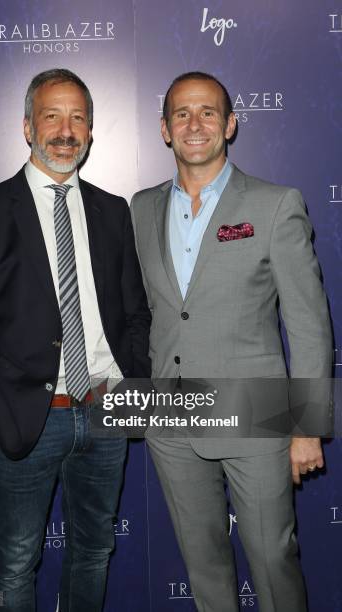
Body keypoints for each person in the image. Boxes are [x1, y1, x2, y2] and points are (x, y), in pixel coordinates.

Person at [0, 68, 151, 612]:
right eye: (51, 115)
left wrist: (131, 387)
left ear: (92, 131)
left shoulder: (112, 209)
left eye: (78, 117)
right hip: (27, 419)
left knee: (94, 552)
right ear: (27, 126)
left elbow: (134, 313)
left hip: (105, 413)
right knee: (15, 559)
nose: (65, 129)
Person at [131, 71, 332, 612]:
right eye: (181, 114)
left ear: (230, 125)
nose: (195, 124)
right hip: (171, 418)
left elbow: (309, 324)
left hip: (256, 415)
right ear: (165, 130)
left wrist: (307, 426)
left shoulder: (275, 205)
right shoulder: (140, 209)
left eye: (208, 112)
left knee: (272, 562)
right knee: (205, 569)